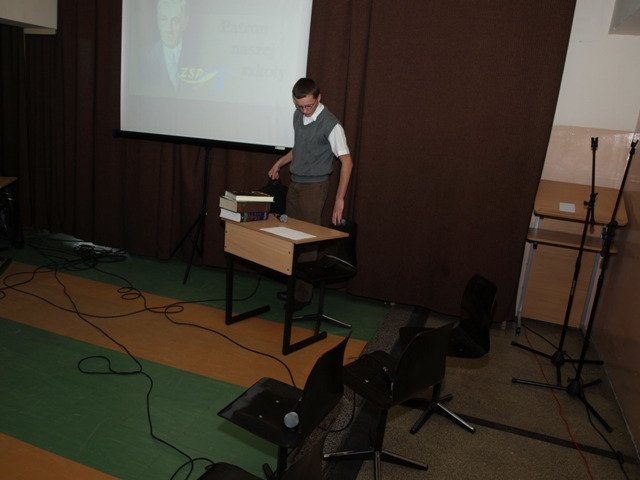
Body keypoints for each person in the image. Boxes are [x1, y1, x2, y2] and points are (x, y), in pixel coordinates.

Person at [268, 78, 354, 311]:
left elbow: (347, 162)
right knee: (291, 238)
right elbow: (300, 149)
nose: (305, 111)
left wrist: (339, 198)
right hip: (295, 183)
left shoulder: (331, 124)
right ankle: (294, 288)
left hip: (314, 188)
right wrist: (279, 163)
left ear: (319, 97)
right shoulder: (298, 116)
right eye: (300, 106)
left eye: (309, 106)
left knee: (306, 242)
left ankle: (303, 296)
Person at [145, 0, 192, 92]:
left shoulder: (198, 57)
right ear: (158, 21)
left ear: (185, 23)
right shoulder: (145, 58)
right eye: (163, 19)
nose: (168, 29)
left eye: (175, 21)